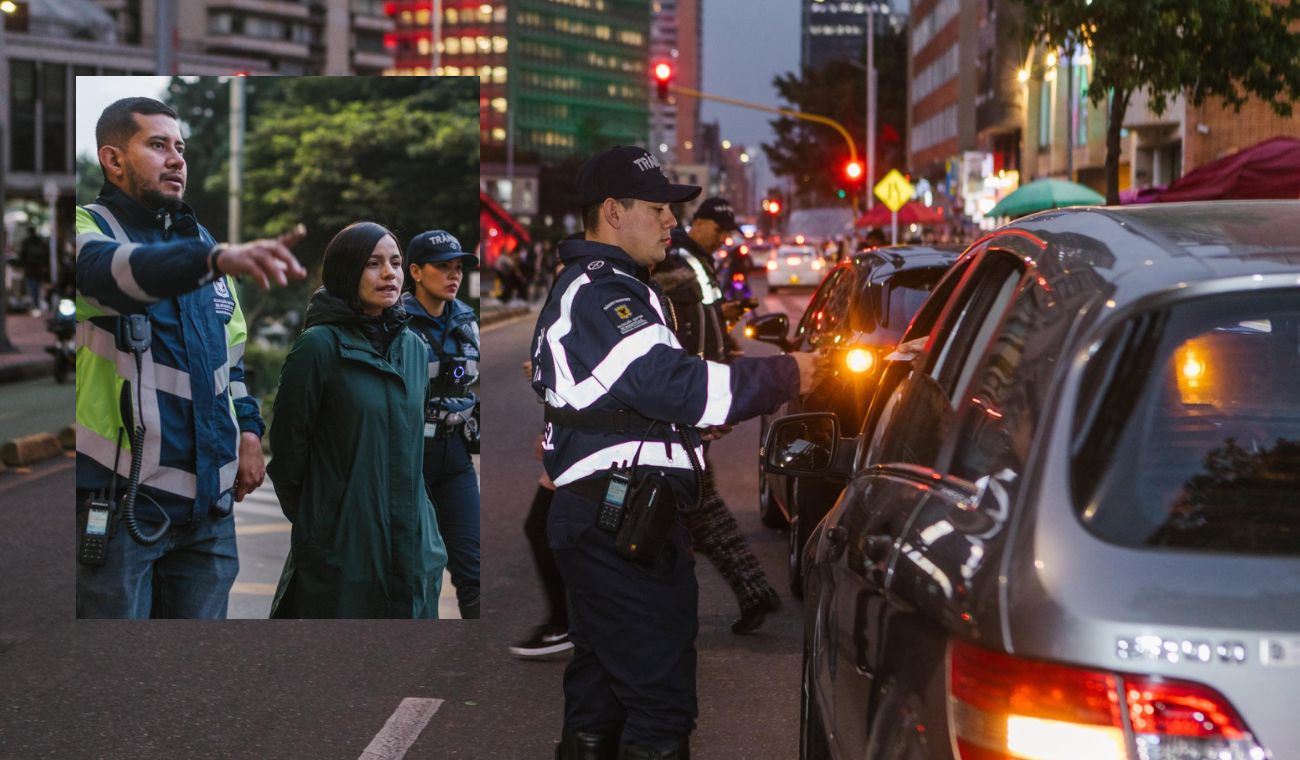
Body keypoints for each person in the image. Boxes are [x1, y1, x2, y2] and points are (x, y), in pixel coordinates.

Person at [531, 146, 819, 759]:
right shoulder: (599, 293)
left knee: (601, 694)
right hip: (617, 520)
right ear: (613, 211)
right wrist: (793, 373)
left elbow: (637, 396)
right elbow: (674, 385)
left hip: (617, 515)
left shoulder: (618, 289)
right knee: (660, 707)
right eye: (659, 209)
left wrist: (683, 431)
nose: (673, 223)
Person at [75, 96, 307, 619]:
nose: (177, 158)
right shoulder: (87, 229)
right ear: (113, 160)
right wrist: (214, 258)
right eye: (157, 145)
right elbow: (109, 271)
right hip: (119, 511)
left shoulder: (199, 243)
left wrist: (249, 431)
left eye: (180, 147)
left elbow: (234, 358)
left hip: (209, 516)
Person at [266, 222, 447, 619]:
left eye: (396, 263)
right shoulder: (318, 347)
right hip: (343, 554)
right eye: (373, 263)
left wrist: (428, 532)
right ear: (347, 272)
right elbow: (287, 455)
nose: (389, 274)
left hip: (416, 550)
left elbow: (416, 447)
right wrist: (324, 525)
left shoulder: (414, 348)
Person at [655, 197, 783, 634]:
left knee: (694, 505)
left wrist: (723, 333)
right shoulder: (678, 259)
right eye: (720, 230)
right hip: (689, 392)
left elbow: (695, 317)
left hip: (692, 396)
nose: (724, 238)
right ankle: (752, 589)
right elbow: (681, 317)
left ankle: (750, 590)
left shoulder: (696, 260)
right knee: (696, 504)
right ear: (702, 223)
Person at [401, 230, 481, 619]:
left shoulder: (466, 320)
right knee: (415, 571)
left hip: (454, 456)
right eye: (442, 267)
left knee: (474, 570)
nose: (453, 276)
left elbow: (468, 385)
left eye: (458, 268)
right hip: (408, 460)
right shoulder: (393, 323)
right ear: (415, 272)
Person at [19, 225, 47, 314]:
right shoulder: (39, 241)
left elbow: (22, 255)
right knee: (36, 288)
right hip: (37, 269)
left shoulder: (27, 242)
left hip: (31, 269)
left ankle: (35, 305)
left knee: (32, 288)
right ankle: (36, 305)